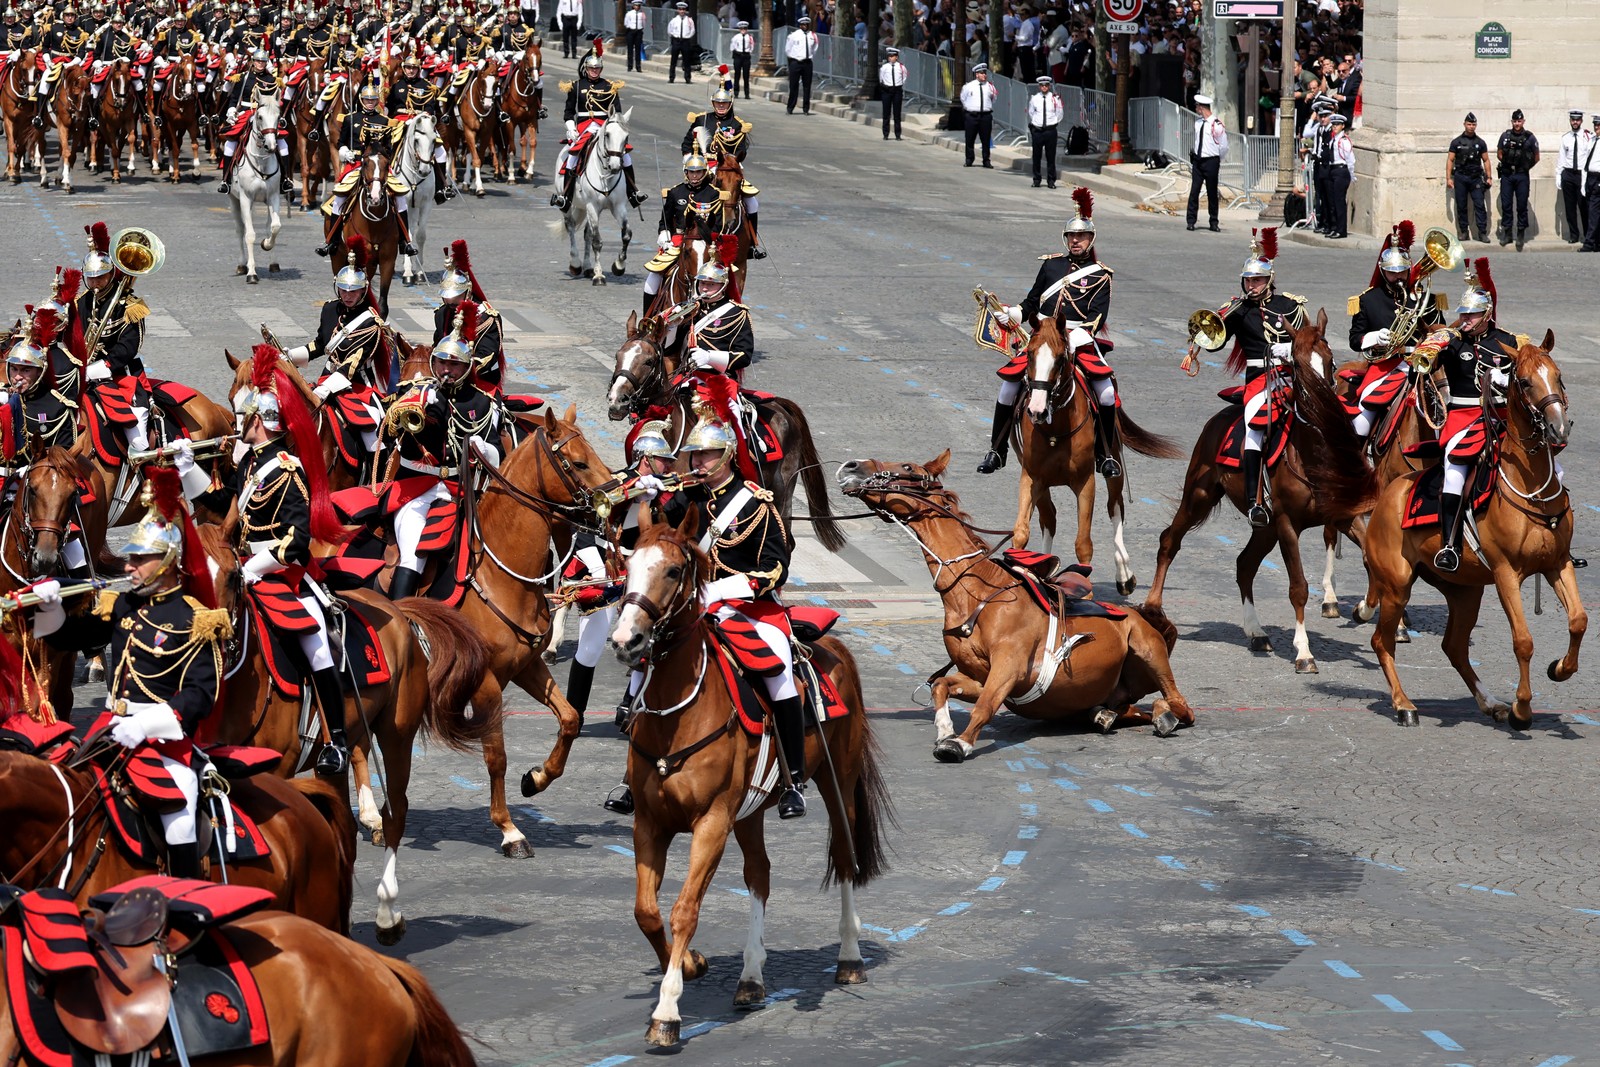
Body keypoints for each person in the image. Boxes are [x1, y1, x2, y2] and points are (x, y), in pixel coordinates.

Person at [33, 467, 228, 877]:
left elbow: (199, 695)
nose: (129, 567)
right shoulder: (122, 606)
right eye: (131, 558)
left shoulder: (197, 620)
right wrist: (50, 607)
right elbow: (71, 637)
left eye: (140, 559)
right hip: (111, 730)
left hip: (164, 743)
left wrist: (145, 725)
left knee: (179, 815)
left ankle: (187, 901)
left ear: (169, 561)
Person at [607, 419, 807, 819]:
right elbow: (642, 540)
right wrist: (639, 501)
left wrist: (724, 590)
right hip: (691, 603)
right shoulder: (685, 497)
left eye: (707, 454)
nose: (698, 461)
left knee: (779, 669)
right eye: (694, 454)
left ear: (728, 456)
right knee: (646, 662)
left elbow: (775, 568)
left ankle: (793, 779)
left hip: (747, 605)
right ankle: (631, 776)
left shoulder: (755, 503)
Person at [178, 344, 351, 776]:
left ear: (258, 422)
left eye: (243, 421)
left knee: (317, 644)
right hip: (241, 572)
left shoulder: (288, 471)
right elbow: (222, 507)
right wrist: (187, 468)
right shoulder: (253, 463)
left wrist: (251, 569)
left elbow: (296, 544)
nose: (237, 427)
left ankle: (337, 740)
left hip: (282, 576)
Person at [980, 188, 1119, 477]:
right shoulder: (1051, 265)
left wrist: (1071, 337)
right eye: (1071, 236)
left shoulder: (1100, 274)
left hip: (1078, 337)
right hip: (1043, 335)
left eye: (1080, 237)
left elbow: (1097, 318)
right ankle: (997, 450)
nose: (1075, 241)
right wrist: (1012, 313)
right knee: (1008, 388)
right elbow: (1032, 300)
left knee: (1105, 394)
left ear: (1091, 239)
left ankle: (1105, 455)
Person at [1182, 228, 1306, 528]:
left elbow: (1305, 340)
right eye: (1248, 280)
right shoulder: (1237, 310)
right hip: (1259, 380)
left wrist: (1286, 349)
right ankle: (1254, 501)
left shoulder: (1290, 305)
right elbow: (1219, 339)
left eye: (1258, 280)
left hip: (1291, 375)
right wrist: (1207, 332)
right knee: (1255, 425)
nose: (1252, 285)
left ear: (1270, 280)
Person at [380, 313, 502, 601]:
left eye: (454, 364)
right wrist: (406, 416)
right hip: (416, 489)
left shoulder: (482, 402)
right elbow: (384, 435)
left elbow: (498, 454)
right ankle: (401, 614)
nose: (446, 370)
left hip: (462, 490)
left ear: (466, 367)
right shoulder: (417, 393)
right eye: (441, 363)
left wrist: (480, 448)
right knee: (413, 555)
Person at [1408, 261, 1519, 573]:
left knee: (1546, 462)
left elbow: (1521, 376)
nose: (1465, 320)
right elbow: (1424, 363)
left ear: (1486, 315)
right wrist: (1429, 350)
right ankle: (1449, 544)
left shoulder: (1507, 340)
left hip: (1498, 415)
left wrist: (1504, 380)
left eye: (1471, 315)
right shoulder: (1452, 339)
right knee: (1455, 475)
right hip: (1462, 416)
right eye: (1463, 314)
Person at [1345, 221, 1445, 443]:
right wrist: (1374, 338)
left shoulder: (1424, 299)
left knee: (1445, 404)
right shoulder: (1368, 300)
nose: (1398, 277)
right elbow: (1354, 339)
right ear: (1383, 271)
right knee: (1363, 418)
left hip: (1423, 366)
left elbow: (1442, 333)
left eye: (1402, 272)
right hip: (1386, 365)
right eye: (1392, 273)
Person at [316, 77, 418, 258]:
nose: (370, 103)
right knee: (339, 198)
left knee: (400, 197)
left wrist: (383, 158)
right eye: (367, 100)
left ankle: (405, 241)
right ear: (361, 100)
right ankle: (330, 241)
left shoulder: (385, 120)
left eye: (373, 100)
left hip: (379, 166)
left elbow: (390, 147)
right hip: (355, 165)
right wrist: (344, 152)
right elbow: (340, 142)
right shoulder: (350, 119)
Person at [77, 221, 152, 459]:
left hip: (120, 372)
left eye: (100, 277)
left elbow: (130, 345)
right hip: (83, 370)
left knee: (136, 428)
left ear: (111, 274)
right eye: (91, 278)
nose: (95, 283)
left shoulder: (130, 306)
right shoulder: (81, 302)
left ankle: (140, 460)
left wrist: (105, 366)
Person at [549, 43, 647, 210]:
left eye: (597, 68)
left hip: (604, 126)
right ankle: (565, 196)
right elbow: (568, 112)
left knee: (626, 156)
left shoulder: (610, 87)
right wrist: (571, 128)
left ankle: (633, 192)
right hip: (584, 127)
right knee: (572, 157)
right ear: (586, 68)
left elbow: (617, 114)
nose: (594, 71)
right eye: (591, 68)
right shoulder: (576, 86)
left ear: (601, 69)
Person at [642, 147, 723, 312]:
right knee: (654, 276)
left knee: (726, 275)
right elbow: (664, 220)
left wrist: (711, 242)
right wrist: (664, 236)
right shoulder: (675, 192)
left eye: (698, 172)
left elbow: (718, 223)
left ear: (704, 172)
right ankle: (647, 319)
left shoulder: (713, 194)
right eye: (691, 172)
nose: (694, 176)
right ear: (686, 173)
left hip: (705, 242)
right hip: (678, 241)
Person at [659, 251, 754, 377]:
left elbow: (744, 356)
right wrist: (672, 328)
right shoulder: (689, 309)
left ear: (723, 286)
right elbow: (670, 350)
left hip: (719, 378)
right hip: (686, 375)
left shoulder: (737, 313)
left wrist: (710, 357)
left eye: (711, 284)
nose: (704, 288)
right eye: (702, 283)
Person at [216, 48, 293, 196]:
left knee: (282, 144)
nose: (260, 64)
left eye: (263, 61)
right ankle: (226, 180)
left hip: (266, 116)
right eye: (258, 61)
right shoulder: (243, 77)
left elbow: (277, 102)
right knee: (230, 143)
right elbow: (234, 99)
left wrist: (279, 115)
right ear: (253, 62)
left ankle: (285, 179)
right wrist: (232, 110)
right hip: (246, 112)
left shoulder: (272, 80)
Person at [434, 239, 505, 387]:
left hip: (480, 379)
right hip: (445, 378)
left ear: (468, 291)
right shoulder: (442, 313)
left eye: (455, 296)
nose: (450, 301)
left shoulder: (487, 317)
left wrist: (459, 373)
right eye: (446, 297)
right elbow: (438, 346)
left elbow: (487, 356)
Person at [1495, 109, 1539, 250]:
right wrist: (1508, 162)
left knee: (1521, 205)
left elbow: (1537, 157)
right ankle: (1507, 234)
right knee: (1506, 205)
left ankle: (1520, 234)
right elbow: (1499, 153)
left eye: (1519, 121)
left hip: (1521, 175)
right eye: (1515, 121)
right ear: (1512, 121)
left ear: (1523, 121)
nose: (1517, 124)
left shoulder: (1530, 137)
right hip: (1507, 174)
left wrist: (1525, 166)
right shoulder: (1505, 136)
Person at [1446, 113, 1491, 243]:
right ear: (1464, 124)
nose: (1471, 127)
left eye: (1473, 124)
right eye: (1469, 124)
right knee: (1461, 205)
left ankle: (1482, 233)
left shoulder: (1480, 142)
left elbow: (1486, 160)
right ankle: (1464, 232)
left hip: (1476, 178)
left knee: (1479, 205)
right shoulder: (1456, 142)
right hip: (1460, 177)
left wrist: (1489, 177)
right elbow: (1450, 160)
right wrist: (1448, 178)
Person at [1186, 93, 1226, 231]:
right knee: (1194, 191)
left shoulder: (1216, 124)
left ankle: (1213, 222)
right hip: (1198, 160)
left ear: (1201, 107)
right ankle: (1191, 220)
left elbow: (1223, 146)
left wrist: (1216, 159)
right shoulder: (1198, 123)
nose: (1196, 108)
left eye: (1197, 106)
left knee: (1212, 192)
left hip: (1211, 161)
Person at [1557, 109, 1591, 244]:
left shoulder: (1588, 137)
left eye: (1577, 120)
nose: (1575, 122)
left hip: (1582, 175)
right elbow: (1561, 158)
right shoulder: (1565, 138)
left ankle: (1588, 235)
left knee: (1584, 207)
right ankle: (1574, 235)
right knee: (1570, 208)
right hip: (1568, 174)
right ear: (1570, 121)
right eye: (1573, 120)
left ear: (1581, 121)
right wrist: (1559, 175)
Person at [1027, 74, 1061, 189]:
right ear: (1039, 86)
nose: (1044, 87)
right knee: (1036, 156)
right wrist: (1036, 123)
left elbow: (1059, 113)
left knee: (1050, 157)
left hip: (1050, 130)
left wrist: (1053, 122)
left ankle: (1051, 180)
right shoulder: (1035, 98)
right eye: (1042, 85)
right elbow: (1031, 112)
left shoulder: (1055, 98)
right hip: (1038, 130)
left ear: (1049, 86)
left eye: (1046, 85)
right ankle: (1036, 179)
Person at [960, 62, 996, 168]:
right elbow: (963, 98)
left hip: (985, 115)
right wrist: (969, 108)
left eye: (985, 73)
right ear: (976, 74)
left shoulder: (990, 87)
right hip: (972, 115)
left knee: (985, 139)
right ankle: (969, 159)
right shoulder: (969, 86)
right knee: (970, 138)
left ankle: (986, 160)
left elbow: (994, 99)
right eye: (981, 73)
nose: (984, 75)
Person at [1324, 113, 1355, 239]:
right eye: (1333, 124)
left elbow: (1350, 159)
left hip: (1341, 170)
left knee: (1339, 201)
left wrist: (1352, 175)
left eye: (1337, 124)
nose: (1334, 127)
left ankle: (1341, 230)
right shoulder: (1334, 139)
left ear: (1343, 126)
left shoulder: (1344, 141)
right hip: (1333, 170)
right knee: (1332, 201)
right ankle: (1334, 227)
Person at [784, 13, 816, 114]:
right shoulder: (794, 35)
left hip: (807, 63)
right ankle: (790, 107)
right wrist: (793, 59)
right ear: (800, 25)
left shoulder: (812, 35)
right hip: (796, 62)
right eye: (803, 25)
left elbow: (814, 48)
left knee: (807, 86)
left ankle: (806, 108)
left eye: (806, 25)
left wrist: (809, 56)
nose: (805, 26)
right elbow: (788, 49)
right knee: (793, 85)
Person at [879, 44, 905, 140]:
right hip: (887, 90)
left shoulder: (901, 67)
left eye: (892, 56)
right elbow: (881, 78)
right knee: (886, 113)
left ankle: (898, 134)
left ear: (896, 57)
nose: (891, 58)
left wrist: (899, 85)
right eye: (889, 56)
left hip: (897, 90)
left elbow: (904, 77)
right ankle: (885, 134)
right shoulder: (884, 67)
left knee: (897, 114)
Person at [667, 0, 696, 83]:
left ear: (685, 10)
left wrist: (687, 37)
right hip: (676, 41)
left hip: (685, 41)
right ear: (678, 10)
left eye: (683, 9)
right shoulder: (674, 20)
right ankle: (671, 77)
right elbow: (669, 30)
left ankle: (687, 78)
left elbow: (692, 30)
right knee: (673, 60)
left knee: (687, 60)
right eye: (680, 9)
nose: (682, 11)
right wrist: (674, 37)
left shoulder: (689, 20)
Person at [1583, 115, 1600, 253]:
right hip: (1590, 177)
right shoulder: (1593, 139)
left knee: (1593, 212)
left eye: (1599, 125)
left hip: (1599, 179)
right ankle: (1597, 243)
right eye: (1595, 125)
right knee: (1592, 211)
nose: (1596, 127)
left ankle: (1589, 243)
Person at [729, 18, 753, 97]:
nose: (743, 30)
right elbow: (732, 46)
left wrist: (748, 52)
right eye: (742, 28)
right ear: (739, 29)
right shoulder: (736, 37)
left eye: (745, 29)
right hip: (738, 56)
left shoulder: (749, 37)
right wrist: (736, 53)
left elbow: (752, 46)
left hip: (746, 56)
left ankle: (747, 93)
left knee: (746, 75)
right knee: (737, 74)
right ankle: (736, 92)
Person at [623, 0, 646, 72]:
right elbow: (626, 23)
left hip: (638, 32)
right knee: (630, 49)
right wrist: (630, 28)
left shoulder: (642, 14)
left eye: (639, 5)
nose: (637, 7)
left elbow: (644, 23)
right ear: (633, 6)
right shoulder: (629, 14)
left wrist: (641, 28)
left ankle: (638, 66)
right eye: (636, 5)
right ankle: (630, 66)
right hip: (631, 31)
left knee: (638, 49)